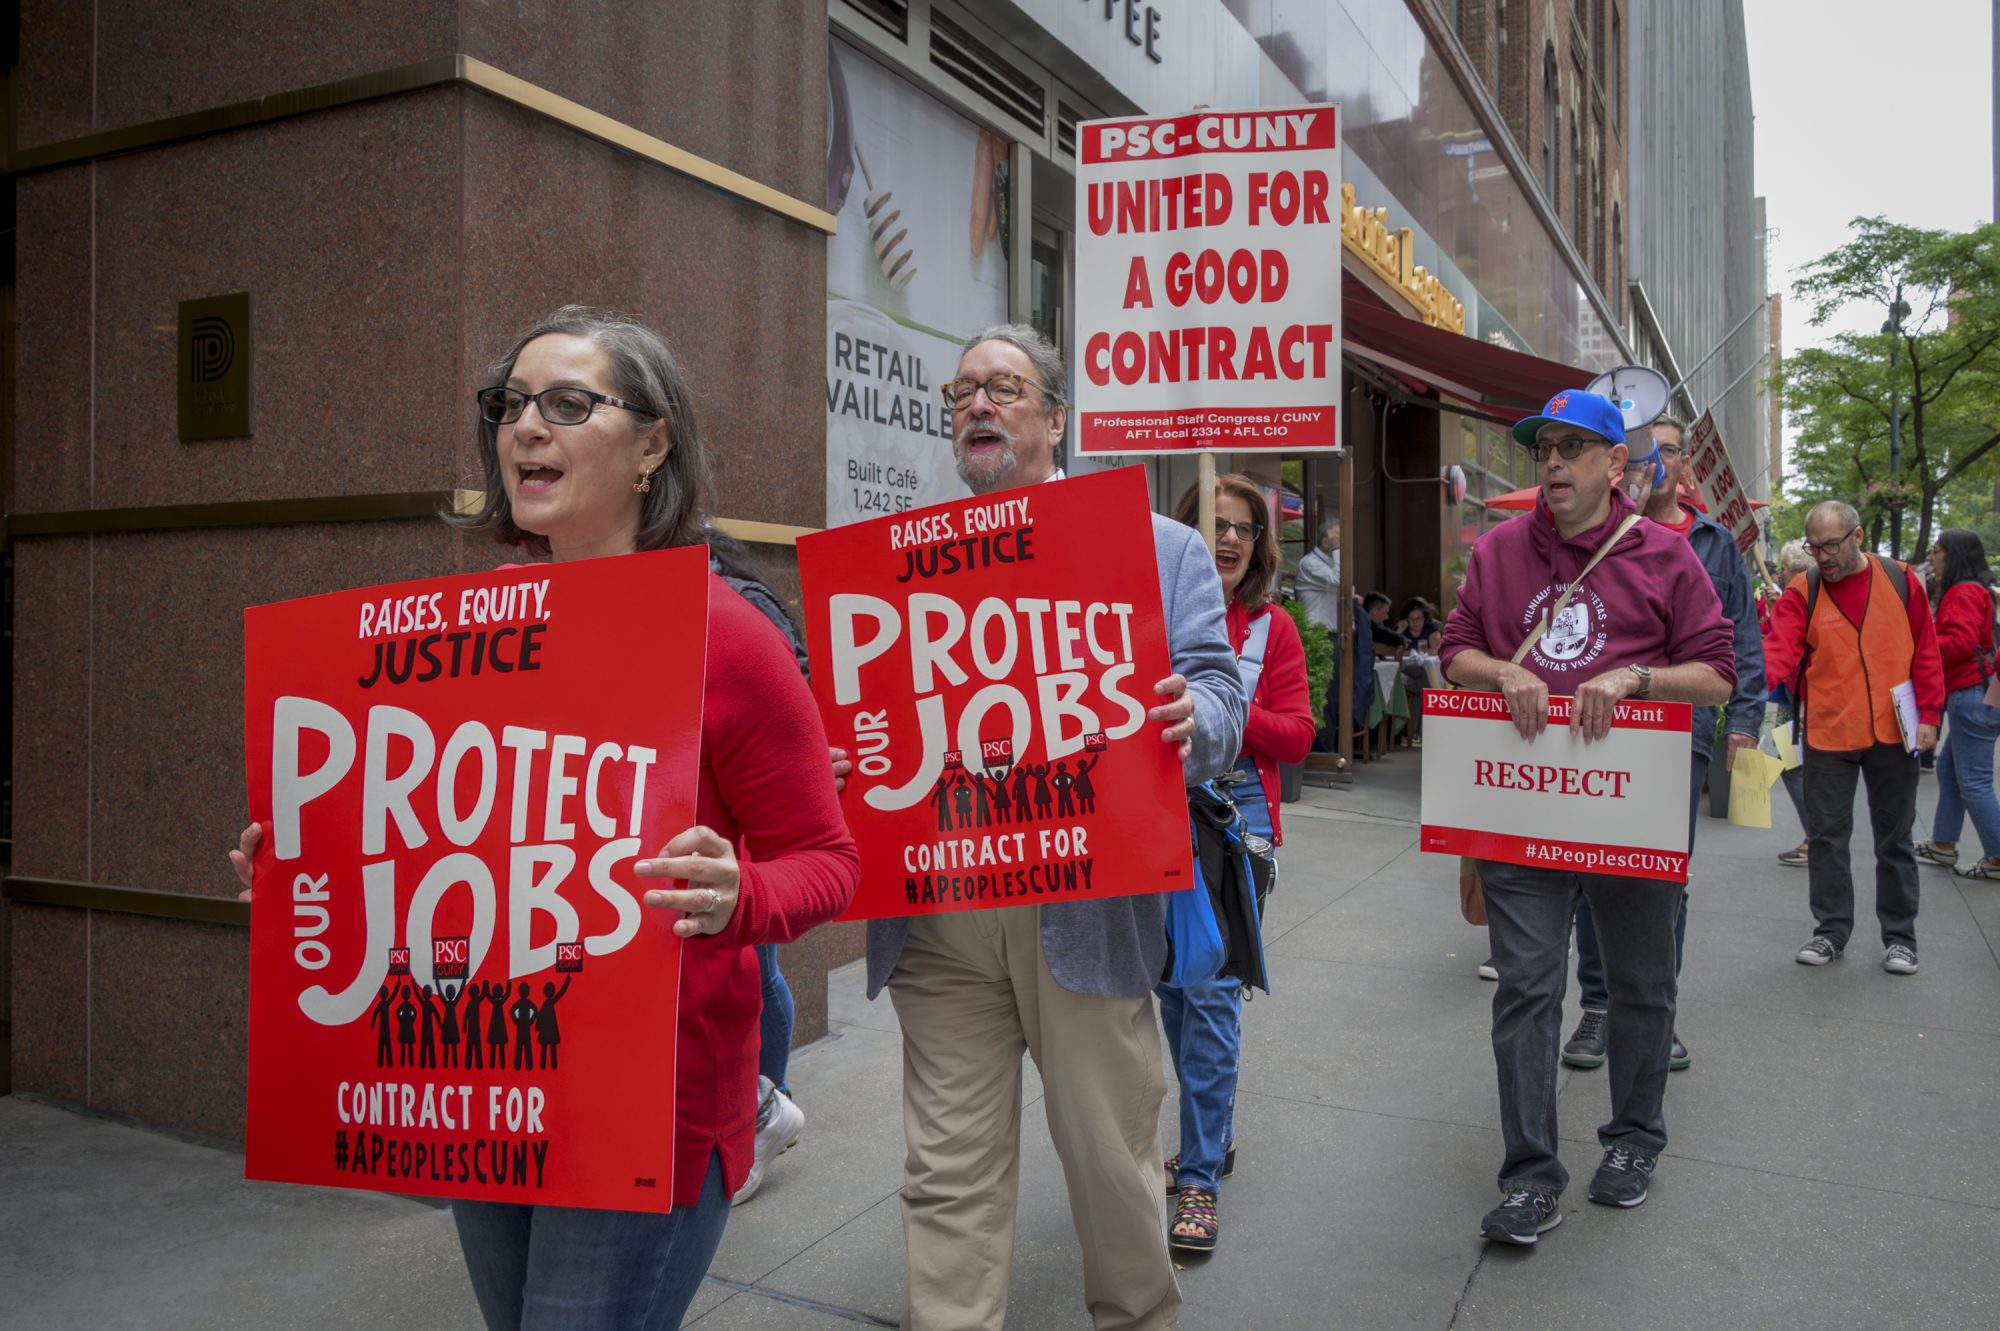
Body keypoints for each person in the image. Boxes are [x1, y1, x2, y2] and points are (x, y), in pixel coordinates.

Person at [230, 307, 861, 1330]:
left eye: (568, 403)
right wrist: (309, 855)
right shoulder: (473, 630)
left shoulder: (728, 636)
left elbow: (826, 861)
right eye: (511, 404)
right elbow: (427, 832)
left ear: (654, 443)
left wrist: (740, 889)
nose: (527, 426)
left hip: (649, 1104)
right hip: (494, 1081)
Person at [858, 324, 1244, 1331]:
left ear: (1054, 415)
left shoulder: (1161, 547)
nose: (976, 405)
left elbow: (1219, 696)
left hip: (1085, 909)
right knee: (944, 1173)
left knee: (1110, 1166)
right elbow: (864, 721)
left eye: (1003, 387)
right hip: (940, 919)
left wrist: (1190, 716)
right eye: (960, 392)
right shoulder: (900, 561)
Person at [1438, 388, 1735, 1245]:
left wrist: (1634, 679)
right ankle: (1530, 1175)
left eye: (1573, 448)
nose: (1554, 463)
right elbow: (1455, 649)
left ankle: (1635, 1138)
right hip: (1523, 805)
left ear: (1617, 465)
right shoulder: (1498, 553)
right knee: (1527, 988)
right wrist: (1503, 672)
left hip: (1629, 805)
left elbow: (1717, 672)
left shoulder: (1666, 557)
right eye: (1543, 450)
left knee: (1641, 982)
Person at [1560, 415, 1766, 1076]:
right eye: (1645, 449)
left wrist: (1745, 723)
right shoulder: (1595, 534)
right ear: (1623, 461)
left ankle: (1654, 1009)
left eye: (1668, 449)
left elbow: (1740, 645)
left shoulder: (1713, 542)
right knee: (1591, 875)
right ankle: (1598, 1004)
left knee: (1660, 881)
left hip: (1681, 734)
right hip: (1593, 732)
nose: (1656, 460)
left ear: (1686, 464)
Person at [1157, 473, 1315, 1254]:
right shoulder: (1154, 609)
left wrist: (1219, 707)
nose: (1226, 539)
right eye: (1214, 523)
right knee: (1175, 991)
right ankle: (1211, 1124)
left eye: (1243, 529)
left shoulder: (1272, 629)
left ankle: (1198, 1179)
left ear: (1259, 546)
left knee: (1211, 991)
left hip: (1234, 823)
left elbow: (1297, 734)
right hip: (1154, 816)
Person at [1763, 500, 1942, 975]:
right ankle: (1831, 931)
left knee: (1895, 839)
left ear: (1858, 537)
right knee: (1826, 838)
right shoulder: (1804, 589)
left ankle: (1900, 937)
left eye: (1831, 545)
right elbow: (1778, 651)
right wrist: (1739, 688)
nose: (1822, 556)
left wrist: (1930, 714)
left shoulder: (1902, 580)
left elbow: (1926, 650)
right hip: (1829, 730)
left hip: (1894, 730)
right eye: (1814, 547)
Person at [1915, 530, 2000, 878]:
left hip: (1970, 696)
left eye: (1937, 552)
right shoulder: (1978, 590)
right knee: (1952, 771)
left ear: (1954, 557)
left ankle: (1997, 857)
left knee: (1974, 780)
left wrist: (1922, 638)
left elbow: (1959, 643)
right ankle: (1944, 843)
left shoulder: (1963, 592)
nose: (1933, 559)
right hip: (1976, 693)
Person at [1769, 538, 1814, 867]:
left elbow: (1797, 650)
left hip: (1798, 695)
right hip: (1793, 694)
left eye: (1783, 568)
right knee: (1793, 764)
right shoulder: (1803, 592)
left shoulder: (1802, 592)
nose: (1780, 573)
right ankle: (1817, 836)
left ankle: (1816, 837)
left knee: (1794, 766)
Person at [1398, 597, 1442, 744]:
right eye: (1411, 619)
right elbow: (1393, 650)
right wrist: (1399, 631)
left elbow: (1437, 650)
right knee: (1425, 685)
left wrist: (1412, 651)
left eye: (1418, 619)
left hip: (1423, 671)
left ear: (1425, 618)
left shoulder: (1432, 628)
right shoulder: (1401, 629)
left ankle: (1413, 732)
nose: (1415, 623)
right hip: (1404, 669)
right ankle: (1422, 732)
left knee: (1420, 691)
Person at [1294, 517, 1342, 634]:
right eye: (1340, 540)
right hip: (1317, 632)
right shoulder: (1309, 562)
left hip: (1332, 631)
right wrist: (1336, 548)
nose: (1342, 546)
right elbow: (1338, 580)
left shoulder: (1331, 563)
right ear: (1326, 543)